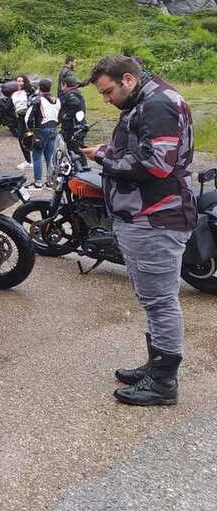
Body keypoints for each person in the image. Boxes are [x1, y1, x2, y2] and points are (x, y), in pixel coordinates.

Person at [81, 56, 195, 406]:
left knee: (160, 302)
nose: (107, 99)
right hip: (148, 215)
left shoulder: (156, 104)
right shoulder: (147, 100)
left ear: (128, 79)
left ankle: (163, 383)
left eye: (108, 92)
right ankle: (156, 365)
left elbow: (157, 164)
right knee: (153, 299)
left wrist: (102, 156)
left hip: (156, 217)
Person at [25, 78, 61, 189]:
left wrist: (32, 131)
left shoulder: (38, 100)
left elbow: (28, 118)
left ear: (39, 88)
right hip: (53, 129)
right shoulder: (57, 100)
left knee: (37, 156)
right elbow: (59, 116)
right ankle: (50, 181)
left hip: (41, 130)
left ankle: (38, 182)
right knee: (49, 157)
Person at [11, 75, 34, 169]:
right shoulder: (15, 93)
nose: (19, 83)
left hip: (28, 119)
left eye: (21, 81)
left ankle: (30, 161)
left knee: (26, 137)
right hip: (20, 118)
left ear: (25, 82)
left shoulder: (29, 92)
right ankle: (28, 160)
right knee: (21, 138)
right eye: (18, 81)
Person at [59, 78, 87, 150]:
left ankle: (79, 161)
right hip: (77, 126)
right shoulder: (76, 93)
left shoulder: (71, 94)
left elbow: (76, 104)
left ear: (65, 85)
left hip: (73, 128)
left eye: (61, 85)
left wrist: (66, 115)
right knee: (75, 149)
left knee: (75, 150)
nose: (61, 88)